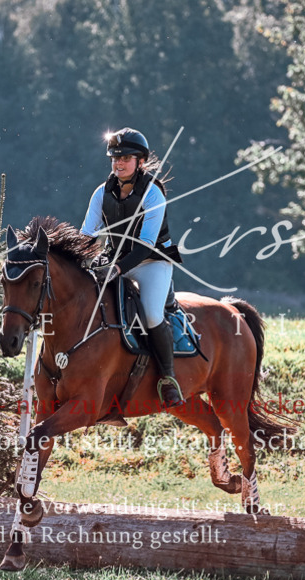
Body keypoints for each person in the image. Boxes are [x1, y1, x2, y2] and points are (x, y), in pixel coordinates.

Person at [81, 127, 185, 407]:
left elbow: (146, 244)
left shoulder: (154, 194)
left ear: (140, 162)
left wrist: (116, 270)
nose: (119, 163)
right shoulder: (101, 192)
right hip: (115, 260)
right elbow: (88, 235)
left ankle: (168, 378)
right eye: (115, 158)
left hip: (152, 262)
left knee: (151, 314)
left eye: (126, 158)